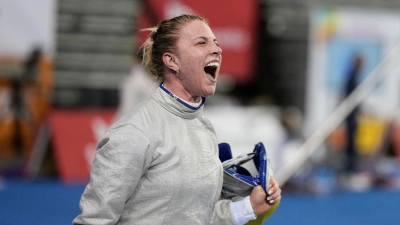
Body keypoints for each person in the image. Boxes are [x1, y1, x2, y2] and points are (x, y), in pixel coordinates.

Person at [73, 14, 281, 225]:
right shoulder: (134, 132)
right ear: (172, 61)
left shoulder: (203, 129)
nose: (217, 49)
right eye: (202, 42)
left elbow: (197, 217)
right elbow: (94, 221)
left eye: (216, 43)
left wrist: (249, 207)